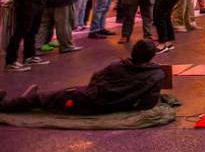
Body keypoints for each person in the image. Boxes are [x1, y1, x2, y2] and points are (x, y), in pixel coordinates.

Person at [0, 40, 164, 114]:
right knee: (49, 99)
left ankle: (4, 106)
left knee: (43, 98)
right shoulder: (156, 74)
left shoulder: (117, 66)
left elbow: (95, 80)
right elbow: (147, 104)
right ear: (151, 57)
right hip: (111, 105)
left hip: (91, 101)